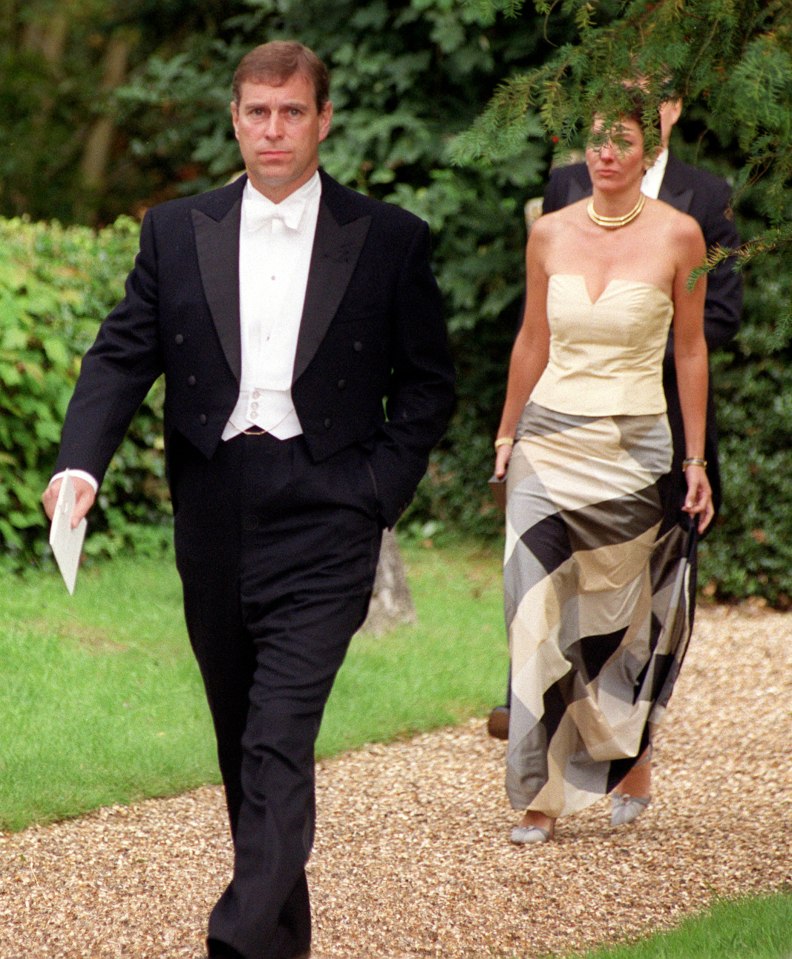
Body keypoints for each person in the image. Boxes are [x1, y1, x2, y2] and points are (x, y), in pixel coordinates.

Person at [42, 41, 455, 959]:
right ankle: (280, 945)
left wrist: (375, 492)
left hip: (328, 509)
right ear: (235, 117)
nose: (274, 129)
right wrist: (80, 464)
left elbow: (428, 386)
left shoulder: (387, 239)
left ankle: (233, 942)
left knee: (277, 735)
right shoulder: (175, 228)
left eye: (292, 112)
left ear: (323, 119)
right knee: (243, 743)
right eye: (258, 112)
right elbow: (120, 355)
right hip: (214, 510)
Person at [487, 95, 742, 742]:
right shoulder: (556, 212)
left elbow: (701, 337)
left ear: (667, 120)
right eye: (596, 136)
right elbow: (532, 336)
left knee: (616, 608)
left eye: (622, 137)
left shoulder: (697, 211)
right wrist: (506, 433)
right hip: (551, 433)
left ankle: (623, 747)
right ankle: (536, 778)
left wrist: (690, 454)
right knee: (535, 599)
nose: (605, 152)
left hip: (639, 433)